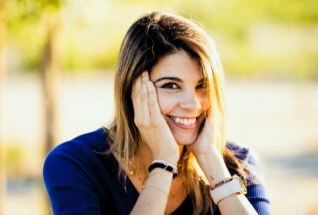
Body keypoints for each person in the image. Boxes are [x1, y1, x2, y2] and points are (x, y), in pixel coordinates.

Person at [43, 11, 271, 215]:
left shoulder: (238, 164)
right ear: (132, 91)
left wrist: (211, 161)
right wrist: (163, 162)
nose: (192, 104)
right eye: (171, 85)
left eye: (202, 86)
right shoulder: (74, 164)